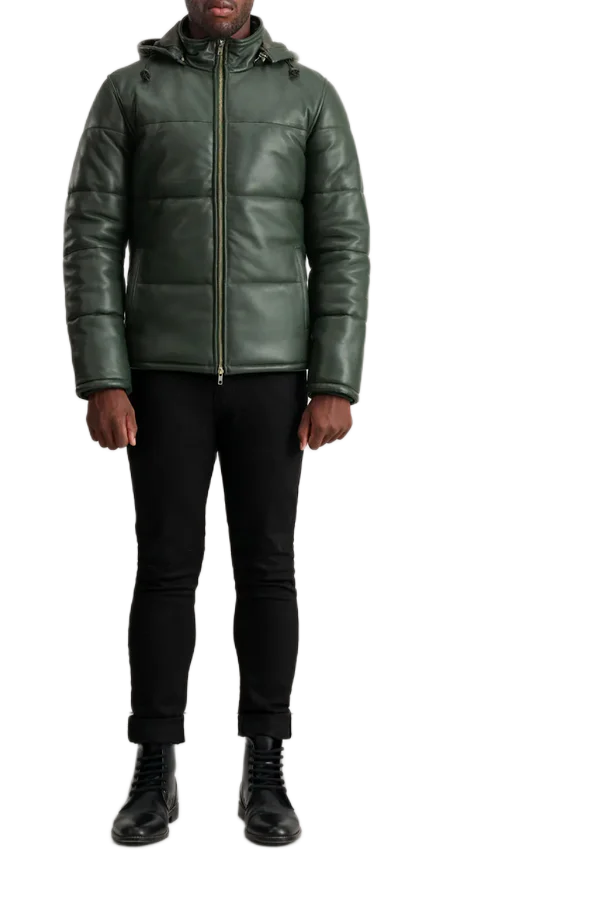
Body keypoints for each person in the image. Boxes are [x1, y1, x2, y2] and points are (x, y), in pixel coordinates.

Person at [61, 0, 371, 849]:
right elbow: (90, 236)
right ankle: (153, 769)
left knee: (268, 570)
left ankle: (266, 768)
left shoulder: (309, 94)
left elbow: (344, 241)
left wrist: (335, 378)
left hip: (276, 375)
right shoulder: (130, 91)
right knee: (165, 570)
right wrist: (103, 376)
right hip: (163, 373)